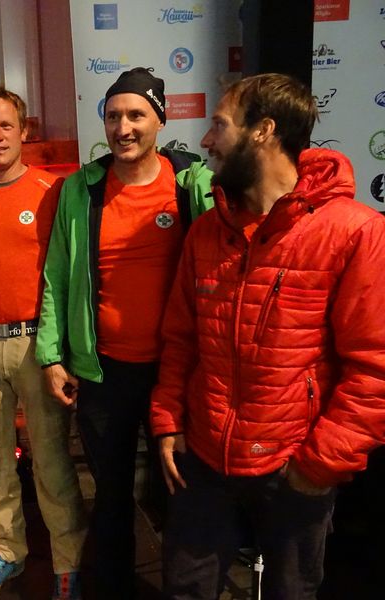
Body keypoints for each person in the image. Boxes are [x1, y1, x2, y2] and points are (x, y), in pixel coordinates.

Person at [151, 73, 385, 599]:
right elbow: (181, 338)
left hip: (293, 465)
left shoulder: (354, 231)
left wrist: (318, 465)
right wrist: (168, 421)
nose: (206, 141)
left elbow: (375, 370)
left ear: (264, 131)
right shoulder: (207, 230)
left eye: (219, 125)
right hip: (202, 461)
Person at [35, 67, 213, 598]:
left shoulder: (191, 185)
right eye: (113, 116)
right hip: (103, 372)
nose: (123, 127)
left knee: (180, 492)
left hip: (174, 373)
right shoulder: (81, 190)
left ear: (160, 120)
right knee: (111, 497)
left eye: (136, 114)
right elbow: (56, 276)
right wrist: (51, 356)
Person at [0, 84, 88, 600]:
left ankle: (68, 560)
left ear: (23, 131)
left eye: (6, 125)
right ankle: (8, 549)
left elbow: (66, 275)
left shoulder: (52, 191)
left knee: (51, 459)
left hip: (35, 345)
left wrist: (59, 349)